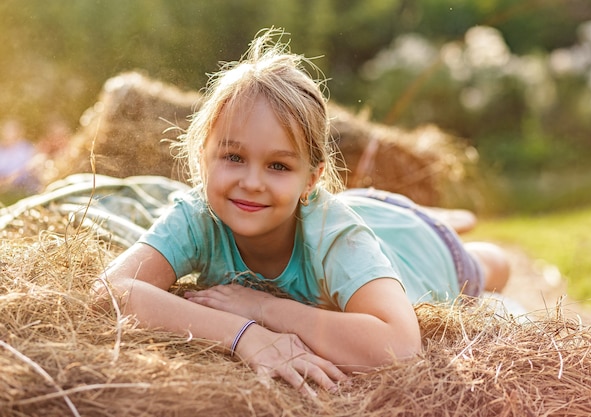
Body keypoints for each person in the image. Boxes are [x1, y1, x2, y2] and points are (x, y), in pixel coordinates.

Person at [95, 28, 509, 395]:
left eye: (278, 166)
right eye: (233, 157)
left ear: (312, 178)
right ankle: (410, 210)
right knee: (360, 216)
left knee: (492, 265)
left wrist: (262, 308)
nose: (251, 182)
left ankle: (436, 221)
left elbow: (400, 348)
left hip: (422, 248)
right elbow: (109, 292)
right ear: (203, 157)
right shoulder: (199, 215)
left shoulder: (338, 235)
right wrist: (245, 335)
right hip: (355, 217)